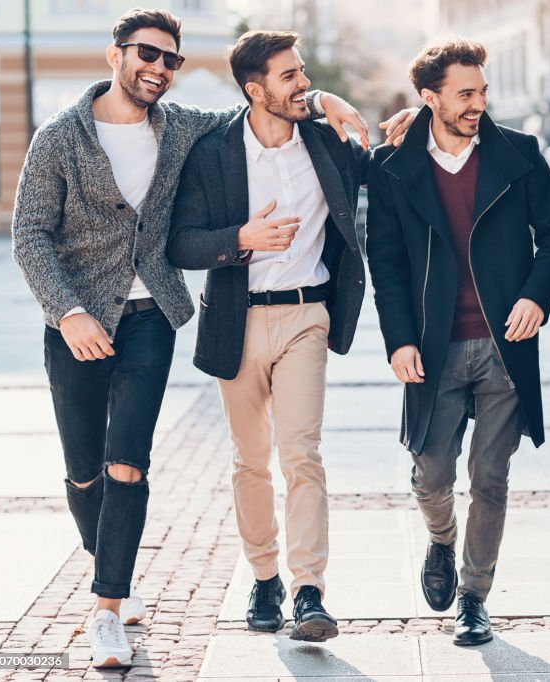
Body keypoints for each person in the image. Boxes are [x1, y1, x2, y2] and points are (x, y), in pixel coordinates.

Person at [11, 8, 397, 667]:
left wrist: (322, 97)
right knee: (85, 474)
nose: (158, 68)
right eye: (147, 55)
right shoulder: (60, 138)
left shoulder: (184, 128)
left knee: (132, 463)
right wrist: (67, 308)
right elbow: (29, 234)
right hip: (81, 321)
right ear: (116, 55)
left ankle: (112, 609)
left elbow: (257, 118)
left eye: (171, 60)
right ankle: (117, 566)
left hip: (156, 319)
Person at [167, 29, 418, 643]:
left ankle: (309, 590)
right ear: (256, 90)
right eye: (291, 76)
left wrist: (417, 119)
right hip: (237, 318)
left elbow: (386, 168)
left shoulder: (325, 141)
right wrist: (241, 240)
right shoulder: (214, 153)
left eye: (304, 72)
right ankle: (263, 578)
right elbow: (180, 242)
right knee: (250, 461)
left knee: (302, 454)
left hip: (308, 315)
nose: (303, 82)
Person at [365, 38, 550, 646]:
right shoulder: (392, 168)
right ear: (429, 98)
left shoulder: (519, 154)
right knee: (431, 475)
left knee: (490, 476)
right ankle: (440, 541)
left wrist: (537, 296)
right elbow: (387, 263)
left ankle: (474, 596)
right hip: (431, 348)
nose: (478, 103)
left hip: (504, 347)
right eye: (464, 93)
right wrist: (399, 340)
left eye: (482, 91)